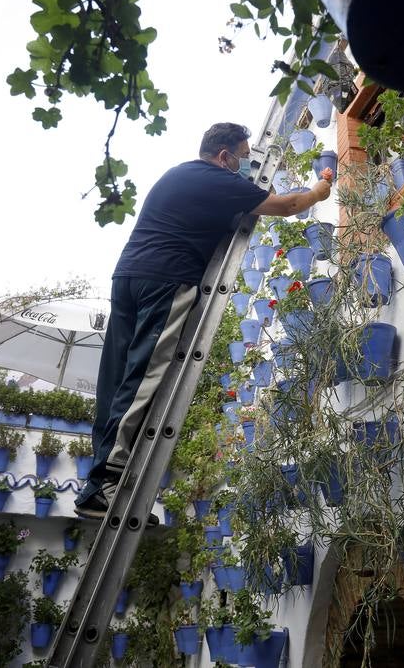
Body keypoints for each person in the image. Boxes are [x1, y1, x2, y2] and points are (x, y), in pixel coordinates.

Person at [75, 122, 332, 520]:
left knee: (115, 380)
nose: (247, 164)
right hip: (167, 279)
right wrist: (319, 190)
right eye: (244, 157)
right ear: (224, 156)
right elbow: (287, 206)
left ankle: (96, 482)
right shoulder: (219, 180)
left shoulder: (179, 174)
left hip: (128, 277)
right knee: (142, 378)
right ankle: (105, 485)